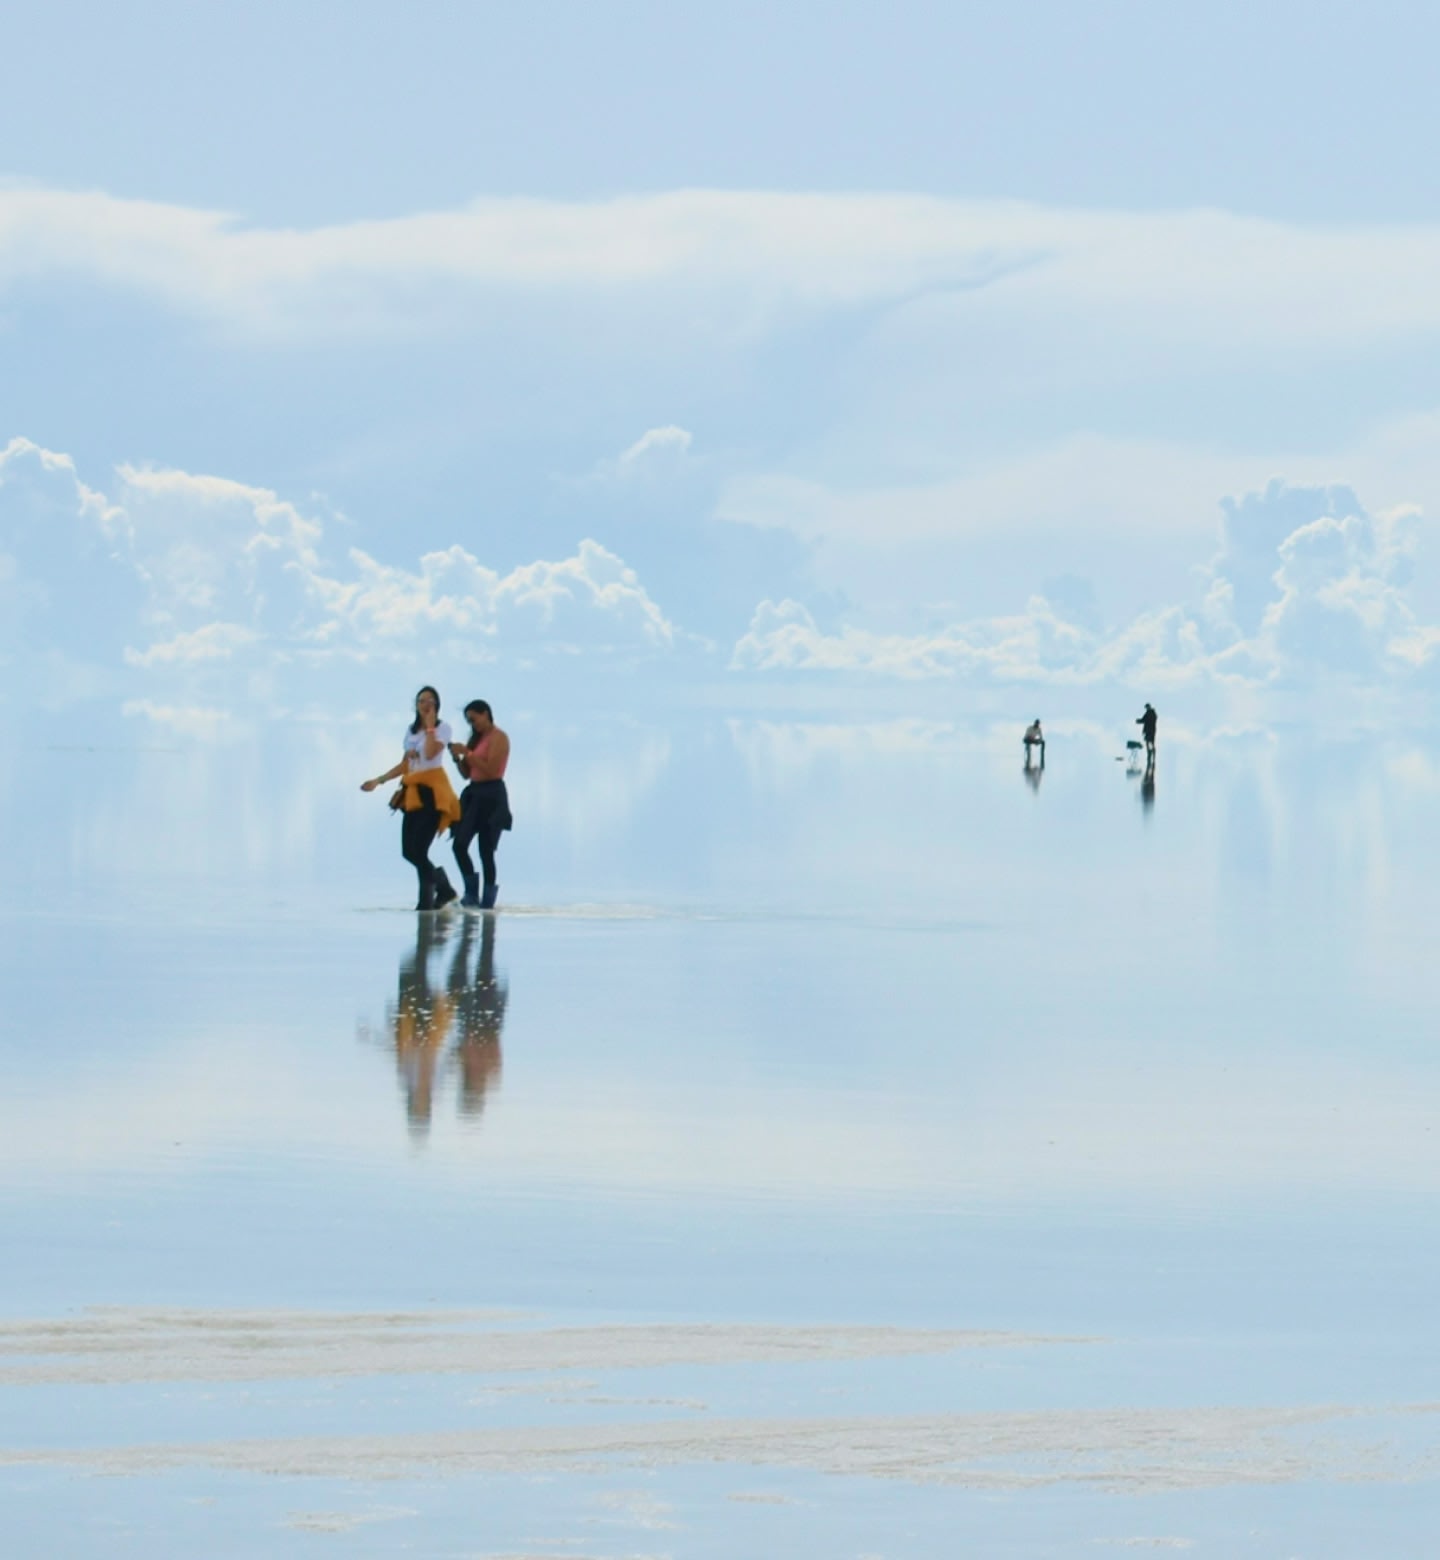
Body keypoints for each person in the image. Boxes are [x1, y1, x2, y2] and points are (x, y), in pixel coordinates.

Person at [361, 685, 462, 911]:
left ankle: (427, 901)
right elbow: (406, 764)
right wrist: (379, 780)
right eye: (421, 701)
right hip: (413, 792)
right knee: (408, 851)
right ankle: (442, 889)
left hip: (432, 793)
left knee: (420, 851)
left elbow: (431, 753)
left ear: (437, 705)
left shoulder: (442, 728)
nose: (425, 705)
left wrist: (430, 727)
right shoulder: (411, 731)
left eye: (430, 701)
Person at [449, 699, 512, 910]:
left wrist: (468, 753)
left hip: (492, 794)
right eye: (469, 721)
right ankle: (471, 893)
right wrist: (458, 758)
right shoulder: (476, 739)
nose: (472, 724)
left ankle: (488, 900)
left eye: (474, 719)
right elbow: (467, 773)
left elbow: (491, 769)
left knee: (486, 850)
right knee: (459, 844)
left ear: (485, 714)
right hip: (474, 793)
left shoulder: (499, 737)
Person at [1137, 702, 1158, 769]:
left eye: (1146, 708)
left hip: (1148, 731)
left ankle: (1149, 756)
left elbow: (1144, 720)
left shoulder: (1148, 713)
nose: (1146, 709)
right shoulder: (1154, 714)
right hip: (1152, 731)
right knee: (1152, 743)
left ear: (1148, 707)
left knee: (1148, 744)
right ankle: (1152, 756)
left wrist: (1138, 721)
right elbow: (1145, 720)